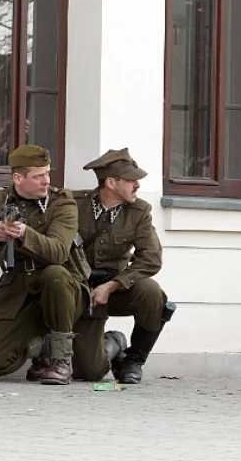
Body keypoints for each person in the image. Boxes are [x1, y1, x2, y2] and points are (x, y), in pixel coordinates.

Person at [0, 144, 89, 385]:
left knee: (55, 274)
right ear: (18, 178)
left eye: (47, 173)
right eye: (39, 176)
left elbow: (58, 252)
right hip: (19, 293)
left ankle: (61, 359)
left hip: (63, 291)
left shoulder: (63, 203)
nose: (46, 181)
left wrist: (24, 233)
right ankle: (41, 346)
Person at [71, 148, 174, 385]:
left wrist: (112, 285)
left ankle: (133, 360)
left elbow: (151, 258)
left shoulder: (139, 211)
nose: (137, 185)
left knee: (152, 293)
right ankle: (114, 342)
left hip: (115, 291)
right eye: (130, 180)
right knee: (89, 372)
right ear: (110, 183)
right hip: (79, 290)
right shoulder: (73, 205)